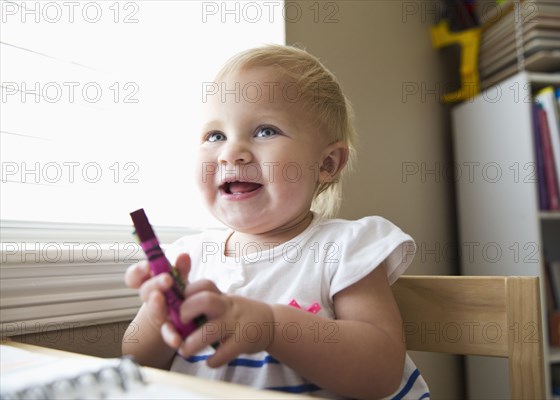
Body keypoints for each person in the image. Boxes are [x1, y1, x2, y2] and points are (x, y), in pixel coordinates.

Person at [123, 44, 429, 399]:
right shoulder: (189, 260)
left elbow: (380, 371)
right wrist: (159, 311)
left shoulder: (343, 249)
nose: (231, 152)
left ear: (327, 164)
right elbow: (134, 365)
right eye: (215, 136)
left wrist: (270, 326)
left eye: (265, 131)